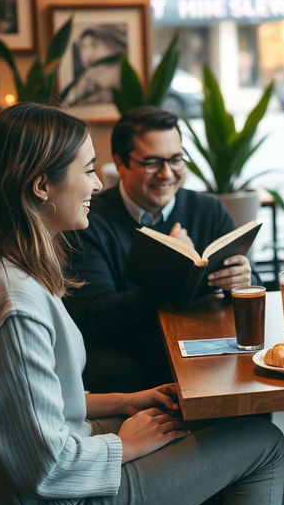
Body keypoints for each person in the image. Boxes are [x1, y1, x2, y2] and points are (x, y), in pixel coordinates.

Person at [0, 103, 284, 505]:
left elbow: (30, 409)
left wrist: (126, 402)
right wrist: (124, 446)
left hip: (57, 479)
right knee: (264, 441)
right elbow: (45, 467)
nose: (96, 185)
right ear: (41, 185)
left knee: (201, 422)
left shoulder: (7, 269)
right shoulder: (18, 305)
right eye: (88, 170)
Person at [64, 105, 254, 392]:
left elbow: (250, 287)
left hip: (204, 339)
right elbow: (93, 315)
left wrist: (242, 280)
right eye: (152, 162)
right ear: (120, 163)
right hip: (132, 349)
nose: (167, 174)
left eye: (176, 159)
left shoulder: (208, 209)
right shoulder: (88, 220)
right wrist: (170, 270)